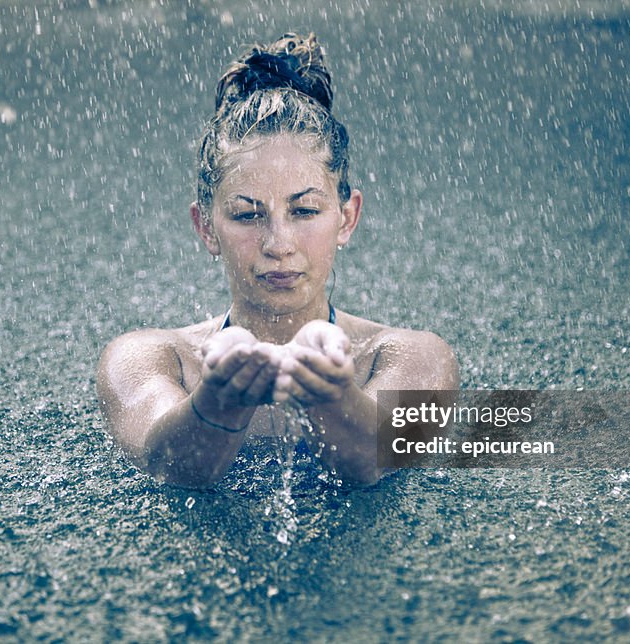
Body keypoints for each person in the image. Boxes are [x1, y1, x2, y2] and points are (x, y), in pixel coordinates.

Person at [97, 33, 458, 489]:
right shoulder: (150, 359)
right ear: (206, 227)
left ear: (347, 218)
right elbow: (170, 465)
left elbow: (380, 458)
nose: (279, 243)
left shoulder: (412, 356)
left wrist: (331, 395)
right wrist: (218, 401)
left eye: (304, 211)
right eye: (248, 215)